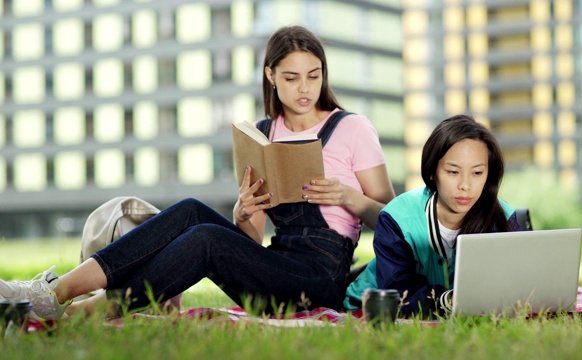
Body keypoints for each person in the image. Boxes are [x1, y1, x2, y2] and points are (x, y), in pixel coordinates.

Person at [0, 25, 395, 319]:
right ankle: (52, 291)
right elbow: (251, 240)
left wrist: (348, 197)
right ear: (271, 76)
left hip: (321, 277)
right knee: (191, 209)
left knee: (205, 238)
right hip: (275, 266)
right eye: (291, 78)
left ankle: (76, 311)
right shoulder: (261, 136)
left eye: (313, 75)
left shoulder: (352, 128)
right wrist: (243, 212)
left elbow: (393, 223)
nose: (304, 88)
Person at [343, 114, 520, 318]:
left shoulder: (504, 217)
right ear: (432, 172)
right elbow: (399, 294)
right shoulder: (397, 217)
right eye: (453, 172)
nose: (465, 185)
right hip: (368, 306)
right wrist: (448, 301)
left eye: (477, 173)